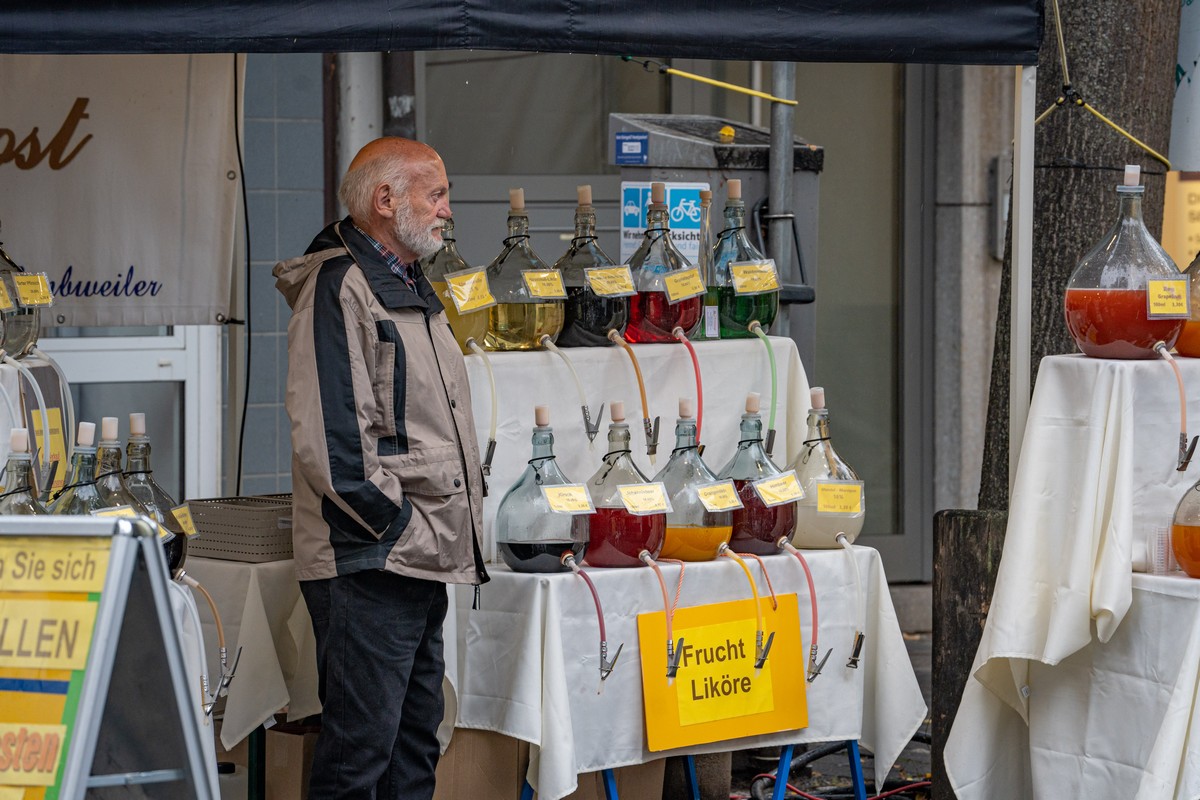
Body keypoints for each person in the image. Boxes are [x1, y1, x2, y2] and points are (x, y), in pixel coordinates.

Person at [273, 137, 488, 800]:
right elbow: (334, 448)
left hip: (416, 556)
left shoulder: (405, 282)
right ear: (385, 200)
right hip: (372, 559)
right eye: (436, 194)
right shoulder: (339, 286)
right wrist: (402, 530)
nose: (447, 210)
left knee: (414, 745)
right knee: (360, 757)